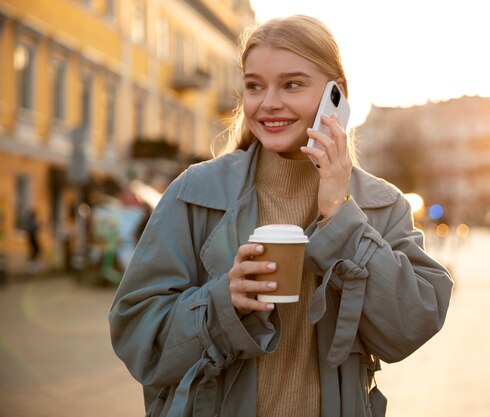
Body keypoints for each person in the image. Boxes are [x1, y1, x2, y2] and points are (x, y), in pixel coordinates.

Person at [109, 15, 453, 417]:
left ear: (335, 95)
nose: (268, 102)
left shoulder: (381, 205)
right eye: (255, 86)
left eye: (292, 84)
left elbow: (409, 327)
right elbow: (136, 335)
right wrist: (224, 302)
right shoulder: (195, 192)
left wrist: (340, 216)